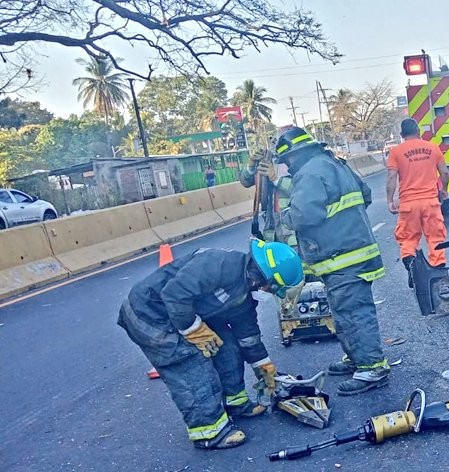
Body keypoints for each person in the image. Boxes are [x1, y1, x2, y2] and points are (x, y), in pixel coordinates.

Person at [116, 240, 303, 449]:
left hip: (183, 312)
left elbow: (248, 334)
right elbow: (174, 295)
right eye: (271, 288)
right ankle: (209, 431)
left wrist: (264, 366)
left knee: (228, 346)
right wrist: (193, 329)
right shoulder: (219, 264)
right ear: (261, 277)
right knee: (190, 363)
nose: (269, 293)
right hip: (148, 314)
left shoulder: (245, 294)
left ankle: (235, 402)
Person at [276, 126, 390, 395]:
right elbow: (366, 194)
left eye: (286, 162)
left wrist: (286, 217)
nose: (287, 168)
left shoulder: (307, 174)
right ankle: (357, 358)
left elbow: (304, 216)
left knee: (354, 313)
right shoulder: (333, 163)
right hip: (354, 252)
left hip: (343, 258)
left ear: (293, 157)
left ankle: (372, 367)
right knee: (344, 311)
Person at [239, 148, 305, 315]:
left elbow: (303, 190)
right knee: (277, 279)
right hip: (273, 234)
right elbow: (246, 181)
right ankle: (289, 318)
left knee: (302, 276)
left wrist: (276, 178)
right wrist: (251, 165)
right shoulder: (269, 164)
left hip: (295, 234)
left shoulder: (299, 167)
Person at [386, 118, 449, 287]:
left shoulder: (396, 152)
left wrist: (390, 200)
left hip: (408, 205)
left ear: (401, 135)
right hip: (430, 203)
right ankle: (437, 274)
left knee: (408, 240)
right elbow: (444, 172)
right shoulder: (432, 148)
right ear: (418, 131)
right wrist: (444, 190)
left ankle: (414, 270)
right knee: (436, 237)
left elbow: (392, 177)